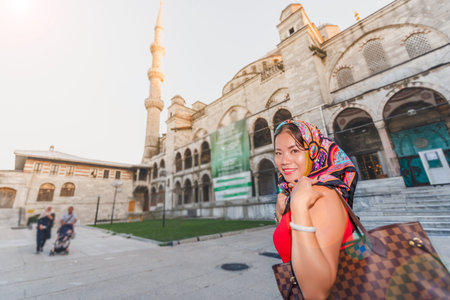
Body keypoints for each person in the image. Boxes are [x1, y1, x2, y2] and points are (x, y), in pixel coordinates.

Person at [273, 120, 358, 299]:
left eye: (294, 150)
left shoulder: (321, 193)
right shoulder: (297, 193)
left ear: (313, 151)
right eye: (278, 153)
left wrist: (298, 206)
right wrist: (282, 211)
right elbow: (292, 243)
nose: (284, 161)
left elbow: (316, 293)